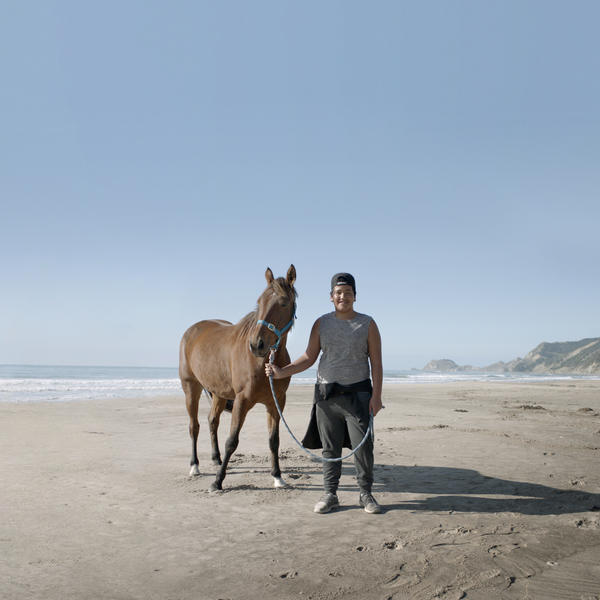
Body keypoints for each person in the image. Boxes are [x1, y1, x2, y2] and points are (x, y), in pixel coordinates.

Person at [265, 272, 383, 514]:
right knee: (330, 449)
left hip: (359, 394)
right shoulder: (321, 323)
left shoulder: (368, 324)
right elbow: (309, 357)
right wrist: (281, 372)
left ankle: (365, 494)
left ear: (355, 296)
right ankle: (330, 494)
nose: (343, 297)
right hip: (326, 396)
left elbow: (377, 364)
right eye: (338, 293)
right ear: (331, 297)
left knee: (363, 447)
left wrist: (377, 396)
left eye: (348, 293)